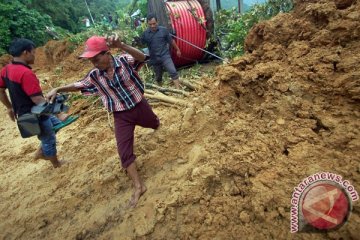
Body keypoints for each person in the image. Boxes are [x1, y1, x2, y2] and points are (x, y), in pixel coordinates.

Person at [45, 34, 160, 208]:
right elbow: (78, 85)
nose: (93, 63)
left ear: (107, 53)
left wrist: (122, 45)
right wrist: (58, 88)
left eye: (96, 58)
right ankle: (139, 186)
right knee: (124, 152)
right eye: (91, 60)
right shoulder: (94, 75)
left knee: (154, 123)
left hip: (140, 105)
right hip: (121, 116)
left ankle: (156, 123)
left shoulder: (124, 60)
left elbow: (142, 57)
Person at [0, 38, 66, 168]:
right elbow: (38, 100)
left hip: (23, 112)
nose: (35, 55)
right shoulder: (26, 73)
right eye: (33, 52)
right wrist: (58, 112)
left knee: (57, 125)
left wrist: (9, 108)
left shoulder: (6, 69)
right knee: (49, 138)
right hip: (36, 114)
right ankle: (56, 164)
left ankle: (42, 151)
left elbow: (1, 90)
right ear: (26, 52)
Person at [141, 13, 182, 89]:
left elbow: (171, 41)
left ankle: (179, 91)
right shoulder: (145, 34)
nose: (152, 26)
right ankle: (161, 91)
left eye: (154, 23)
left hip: (165, 56)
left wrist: (178, 50)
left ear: (157, 22)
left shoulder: (163, 30)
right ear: (147, 24)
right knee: (159, 77)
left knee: (173, 72)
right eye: (150, 24)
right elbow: (141, 45)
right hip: (154, 59)